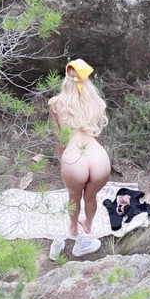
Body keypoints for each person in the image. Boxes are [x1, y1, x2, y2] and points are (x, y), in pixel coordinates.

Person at [48, 59, 111, 237]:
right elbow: (96, 135)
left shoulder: (55, 103)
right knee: (91, 197)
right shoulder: (95, 101)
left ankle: (74, 228)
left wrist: (62, 157)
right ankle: (88, 224)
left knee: (74, 197)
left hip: (74, 157)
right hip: (98, 158)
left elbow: (59, 137)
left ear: (66, 78)